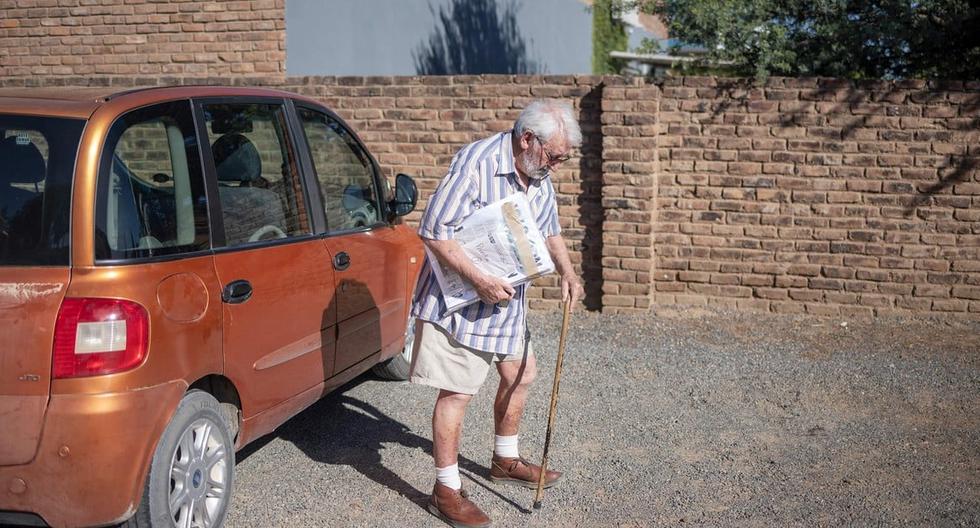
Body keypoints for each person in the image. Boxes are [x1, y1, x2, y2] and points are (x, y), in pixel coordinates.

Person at [409, 99, 585, 527]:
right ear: (528, 139)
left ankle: (504, 461)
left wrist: (568, 270)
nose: (557, 166)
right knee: (457, 391)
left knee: (520, 373)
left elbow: (548, 228)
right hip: (464, 300)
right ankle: (445, 490)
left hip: (507, 301)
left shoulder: (539, 173)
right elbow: (434, 231)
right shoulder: (477, 163)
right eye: (555, 156)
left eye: (564, 158)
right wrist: (479, 281)